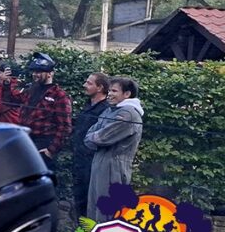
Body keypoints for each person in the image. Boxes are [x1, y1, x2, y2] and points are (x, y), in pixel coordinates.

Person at [85, 76, 144, 221]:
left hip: (114, 166)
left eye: (114, 91)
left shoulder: (128, 114)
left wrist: (94, 137)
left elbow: (102, 138)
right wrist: (94, 137)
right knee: (93, 208)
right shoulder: (110, 110)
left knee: (108, 211)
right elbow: (89, 136)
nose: (109, 94)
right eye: (109, 90)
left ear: (127, 94)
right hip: (99, 162)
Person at [9, 52, 72, 172]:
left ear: (50, 73)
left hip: (44, 143)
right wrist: (7, 84)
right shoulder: (31, 90)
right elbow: (11, 101)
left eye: (39, 72)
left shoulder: (59, 95)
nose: (35, 74)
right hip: (26, 140)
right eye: (34, 71)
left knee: (40, 178)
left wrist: (51, 150)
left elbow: (65, 127)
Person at [70, 72, 110, 220]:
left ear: (100, 88)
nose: (84, 85)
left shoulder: (106, 110)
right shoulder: (88, 106)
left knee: (90, 200)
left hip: (92, 162)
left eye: (89, 83)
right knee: (79, 198)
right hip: (79, 160)